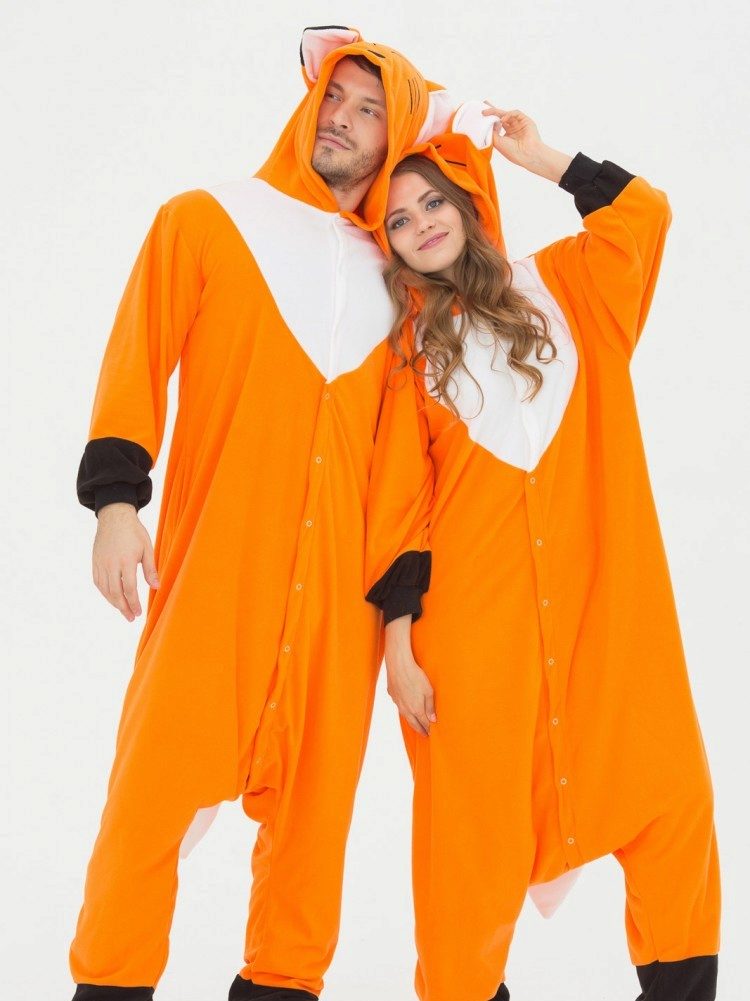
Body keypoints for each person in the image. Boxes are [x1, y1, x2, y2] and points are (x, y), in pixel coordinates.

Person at [70, 25, 457, 1001]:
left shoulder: (400, 284)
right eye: (337, 96)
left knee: (312, 838)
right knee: (147, 805)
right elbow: (137, 355)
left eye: (371, 110)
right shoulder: (206, 220)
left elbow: (402, 468)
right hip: (214, 573)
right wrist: (116, 503)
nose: (342, 119)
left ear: (396, 139)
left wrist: (399, 617)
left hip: (340, 608)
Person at [363, 107, 721, 1001]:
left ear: (468, 204)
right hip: (473, 638)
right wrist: (399, 646)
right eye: (398, 220)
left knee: (668, 801)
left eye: (432, 202)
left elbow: (645, 214)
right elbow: (398, 509)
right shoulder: (406, 352)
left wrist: (544, 158)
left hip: (608, 614)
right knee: (467, 853)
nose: (420, 225)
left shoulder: (568, 287)